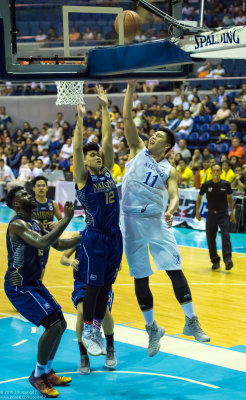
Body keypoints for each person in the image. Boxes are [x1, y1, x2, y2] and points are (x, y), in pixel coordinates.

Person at [121, 81, 210, 358]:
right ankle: (152, 329)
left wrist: (172, 209)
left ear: (168, 145)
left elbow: (173, 195)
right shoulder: (137, 150)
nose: (152, 137)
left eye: (158, 136)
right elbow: (126, 120)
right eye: (153, 133)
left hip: (157, 221)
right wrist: (129, 89)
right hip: (130, 222)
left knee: (174, 269)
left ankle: (191, 320)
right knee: (140, 277)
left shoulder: (169, 169)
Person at [4, 187, 80, 398]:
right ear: (17, 205)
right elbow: (42, 242)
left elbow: (58, 243)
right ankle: (37, 376)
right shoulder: (17, 224)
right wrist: (66, 220)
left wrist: (85, 237)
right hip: (19, 286)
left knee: (61, 323)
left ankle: (48, 371)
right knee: (53, 325)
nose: (30, 195)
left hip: (33, 282)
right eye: (24, 195)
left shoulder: (35, 223)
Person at [73, 86, 122, 356]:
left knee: (105, 285)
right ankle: (91, 329)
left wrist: (105, 108)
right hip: (95, 237)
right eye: (92, 155)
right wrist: (80, 118)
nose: (97, 156)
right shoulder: (84, 178)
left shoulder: (108, 172)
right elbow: (77, 149)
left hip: (115, 236)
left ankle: (98, 327)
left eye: (98, 154)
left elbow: (107, 140)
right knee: (93, 285)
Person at [60, 233, 117, 374]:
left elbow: (118, 265)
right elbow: (63, 258)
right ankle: (83, 356)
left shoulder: (107, 237)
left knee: (104, 311)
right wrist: (70, 262)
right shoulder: (79, 237)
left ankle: (110, 348)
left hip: (101, 281)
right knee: (81, 312)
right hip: (82, 283)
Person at [196, 164, 236, 270]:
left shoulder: (226, 184)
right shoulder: (206, 185)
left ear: (221, 172)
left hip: (223, 214)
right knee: (211, 238)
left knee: (226, 236)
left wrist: (232, 213)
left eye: (218, 170)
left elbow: (230, 199)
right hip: (211, 214)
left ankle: (227, 260)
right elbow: (199, 198)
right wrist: (197, 212)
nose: (216, 172)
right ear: (211, 172)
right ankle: (215, 260)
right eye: (214, 170)